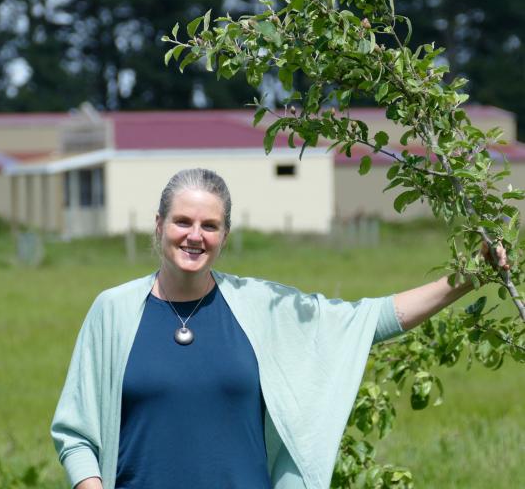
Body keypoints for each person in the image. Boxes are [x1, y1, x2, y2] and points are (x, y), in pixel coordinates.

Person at [51, 168, 507, 489]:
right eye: (183, 221)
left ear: (225, 235)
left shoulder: (261, 307)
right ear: (159, 225)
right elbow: (76, 434)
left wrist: (467, 277)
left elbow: (369, 320)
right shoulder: (112, 312)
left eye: (210, 226)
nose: (195, 236)